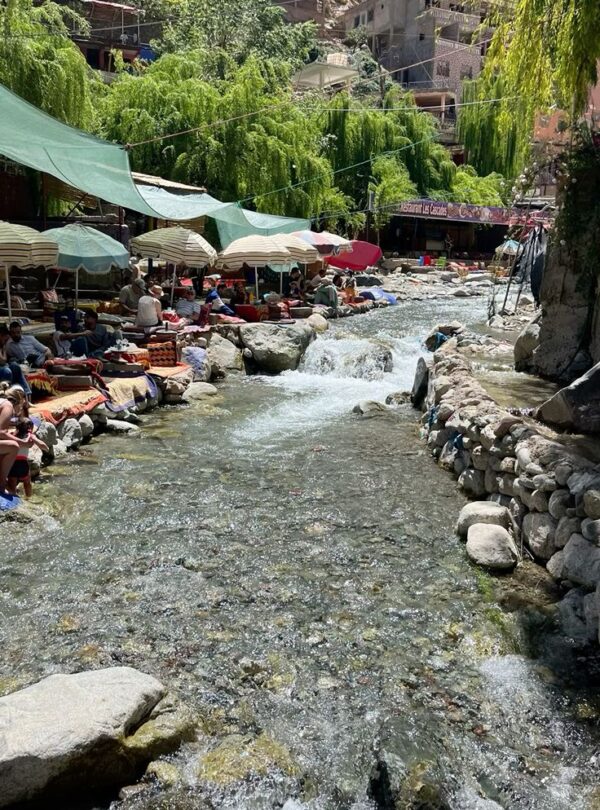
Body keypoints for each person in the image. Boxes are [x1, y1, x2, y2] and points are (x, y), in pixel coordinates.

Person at [7, 418, 48, 498]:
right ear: (30, 428)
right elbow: (42, 445)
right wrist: (46, 448)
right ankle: (28, 498)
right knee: (27, 483)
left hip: (12, 464)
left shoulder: (12, 435)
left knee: (12, 485)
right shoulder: (30, 436)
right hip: (23, 464)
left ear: (17, 427)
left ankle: (13, 496)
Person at [0, 384, 26, 493]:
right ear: (18, 402)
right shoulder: (8, 405)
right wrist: (22, 442)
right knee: (13, 446)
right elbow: (1, 432)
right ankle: (1, 485)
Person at [0, 325, 31, 395]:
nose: (5, 342)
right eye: (5, 340)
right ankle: (7, 395)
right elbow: (2, 361)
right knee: (7, 371)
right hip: (3, 369)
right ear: (1, 336)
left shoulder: (2, 345)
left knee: (15, 366)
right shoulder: (2, 346)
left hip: (3, 367)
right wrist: (4, 349)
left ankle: (27, 395)